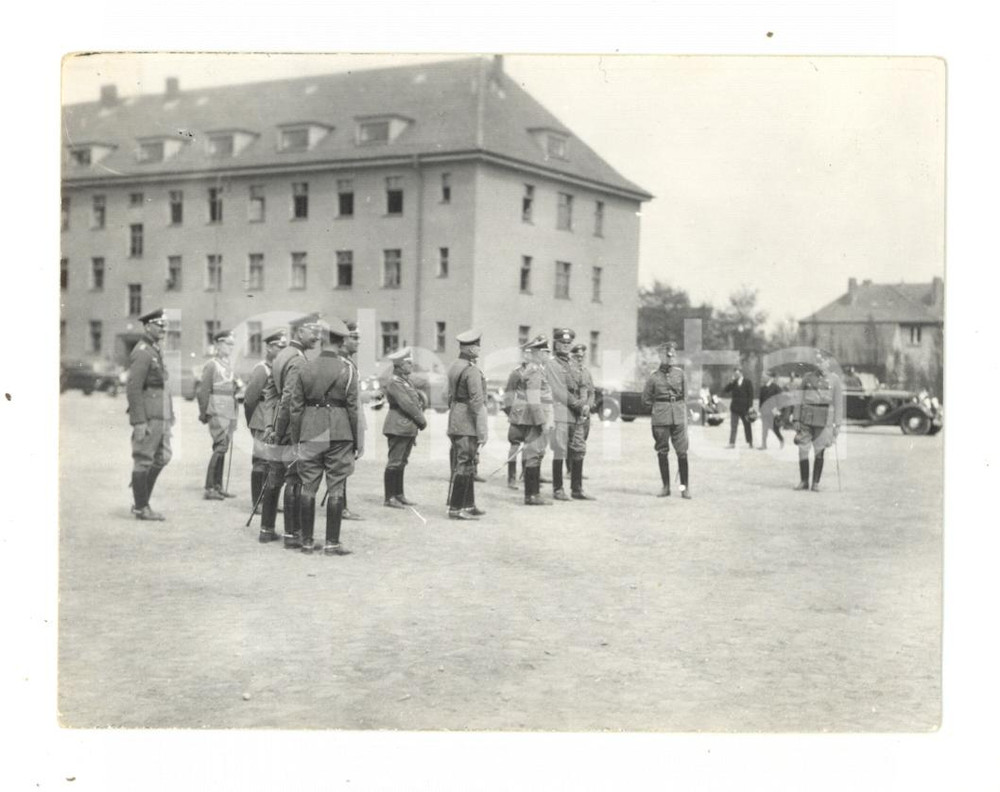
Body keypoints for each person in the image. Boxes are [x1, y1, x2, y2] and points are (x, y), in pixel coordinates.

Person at [285, 318, 360, 555]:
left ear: (324, 341)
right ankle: (332, 543)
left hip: (309, 430)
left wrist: (297, 439)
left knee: (309, 486)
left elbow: (295, 408)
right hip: (340, 432)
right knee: (336, 486)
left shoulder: (304, 367)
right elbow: (353, 409)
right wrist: (356, 441)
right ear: (341, 342)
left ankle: (307, 541)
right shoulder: (348, 370)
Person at [265, 315, 322, 548]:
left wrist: (270, 425)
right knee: (294, 478)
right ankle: (292, 535)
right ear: (299, 332)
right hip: (289, 427)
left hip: (279, 425)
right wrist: (281, 431)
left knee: (274, 477)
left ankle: (266, 529)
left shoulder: (281, 355)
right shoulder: (298, 360)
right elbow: (289, 399)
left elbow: (270, 393)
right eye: (313, 331)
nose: (317, 337)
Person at [126, 308, 174, 520]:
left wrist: (169, 414)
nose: (163, 328)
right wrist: (138, 421)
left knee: (163, 456)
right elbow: (134, 388)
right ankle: (141, 506)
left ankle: (140, 493)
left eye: (164, 325)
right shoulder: (143, 352)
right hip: (148, 416)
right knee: (143, 459)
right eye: (158, 325)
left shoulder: (155, 350)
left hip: (160, 415)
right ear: (147, 327)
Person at [243, 328, 287, 540]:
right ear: (269, 347)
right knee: (260, 463)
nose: (281, 350)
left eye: (283, 347)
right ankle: (257, 502)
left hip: (272, 421)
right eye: (278, 346)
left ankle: (268, 501)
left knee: (271, 463)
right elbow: (250, 399)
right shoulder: (262, 369)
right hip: (261, 420)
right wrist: (253, 423)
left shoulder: (278, 368)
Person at [446, 329, 488, 520]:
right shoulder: (471, 370)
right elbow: (477, 402)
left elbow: (448, 395)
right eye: (476, 345)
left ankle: (468, 504)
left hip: (456, 418)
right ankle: (456, 508)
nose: (479, 348)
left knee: (466, 462)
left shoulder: (455, 365)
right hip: (468, 422)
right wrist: (482, 431)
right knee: (465, 462)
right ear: (469, 348)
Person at [508, 335, 554, 505]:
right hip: (536, 419)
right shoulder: (535, 371)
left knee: (535, 454)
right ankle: (532, 495)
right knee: (534, 454)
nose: (548, 355)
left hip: (536, 418)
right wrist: (542, 422)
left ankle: (533, 494)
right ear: (539, 353)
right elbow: (534, 399)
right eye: (546, 352)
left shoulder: (537, 369)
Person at [642, 341, 691, 499]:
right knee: (662, 452)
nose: (671, 358)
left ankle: (684, 488)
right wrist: (658, 409)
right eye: (668, 356)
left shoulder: (680, 374)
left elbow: (685, 395)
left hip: (678, 416)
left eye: (673, 356)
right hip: (661, 418)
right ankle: (666, 487)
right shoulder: (653, 377)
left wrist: (680, 410)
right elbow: (646, 400)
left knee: (682, 453)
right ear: (661, 356)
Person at [544, 328, 589, 501]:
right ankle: (558, 488)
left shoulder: (574, 363)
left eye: (568, 343)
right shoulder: (552, 364)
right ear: (555, 344)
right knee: (560, 450)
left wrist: (584, 404)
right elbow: (558, 390)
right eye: (562, 343)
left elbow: (583, 384)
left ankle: (577, 489)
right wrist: (579, 405)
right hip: (561, 412)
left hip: (577, 415)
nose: (566, 346)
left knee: (578, 449)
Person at [382, 347, 427, 508]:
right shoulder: (395, 382)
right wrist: (421, 420)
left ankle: (399, 494)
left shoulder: (405, 381)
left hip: (406, 426)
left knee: (402, 462)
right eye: (408, 363)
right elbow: (407, 404)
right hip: (398, 425)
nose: (411, 366)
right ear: (400, 365)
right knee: (394, 462)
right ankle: (390, 497)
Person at [197, 330, 240, 500]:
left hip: (228, 410)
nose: (230, 348)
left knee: (223, 447)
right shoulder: (212, 364)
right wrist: (203, 413)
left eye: (232, 344)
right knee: (220, 446)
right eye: (227, 344)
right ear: (217, 344)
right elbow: (203, 391)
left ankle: (217, 485)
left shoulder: (227, 365)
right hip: (216, 410)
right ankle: (209, 487)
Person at [792, 351, 844, 491]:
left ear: (828, 363)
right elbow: (799, 398)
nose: (819, 364)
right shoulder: (808, 378)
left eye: (822, 361)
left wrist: (837, 424)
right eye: (817, 361)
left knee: (819, 451)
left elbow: (838, 403)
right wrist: (796, 418)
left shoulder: (835, 380)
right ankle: (804, 481)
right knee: (803, 450)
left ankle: (815, 482)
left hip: (824, 418)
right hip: (806, 418)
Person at [340, 320, 365, 521]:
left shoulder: (347, 362)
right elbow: (352, 405)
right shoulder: (345, 365)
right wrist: (358, 436)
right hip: (343, 426)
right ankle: (341, 507)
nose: (358, 342)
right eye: (354, 337)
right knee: (340, 468)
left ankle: (341, 505)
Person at [502, 349, 530, 489]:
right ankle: (511, 478)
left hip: (533, 414)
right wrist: (511, 414)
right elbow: (508, 396)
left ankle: (526, 475)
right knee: (515, 444)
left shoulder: (538, 371)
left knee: (529, 445)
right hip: (519, 413)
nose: (528, 357)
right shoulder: (516, 373)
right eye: (526, 354)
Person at [571, 342, 597, 490]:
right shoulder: (568, 371)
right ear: (572, 357)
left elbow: (591, 391)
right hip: (573, 413)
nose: (580, 359)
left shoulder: (587, 373)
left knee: (581, 442)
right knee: (571, 444)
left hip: (585, 414)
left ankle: (574, 476)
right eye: (577, 356)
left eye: (582, 357)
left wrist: (589, 405)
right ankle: (570, 474)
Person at [723, 366, 755, 449]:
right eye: (735, 373)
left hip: (745, 408)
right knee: (733, 426)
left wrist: (751, 406)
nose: (736, 375)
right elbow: (726, 390)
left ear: (741, 373)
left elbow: (751, 395)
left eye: (737, 373)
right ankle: (731, 443)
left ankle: (750, 442)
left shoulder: (748, 382)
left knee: (747, 425)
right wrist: (731, 382)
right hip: (735, 408)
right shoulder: (734, 382)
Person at [757, 368, 786, 450]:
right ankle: (764, 445)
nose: (762, 378)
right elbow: (761, 400)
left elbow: (781, 399)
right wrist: (760, 410)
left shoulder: (776, 388)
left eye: (764, 376)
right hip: (764, 412)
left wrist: (778, 410)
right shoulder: (762, 388)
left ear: (769, 377)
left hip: (773, 411)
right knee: (764, 429)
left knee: (774, 428)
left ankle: (781, 439)